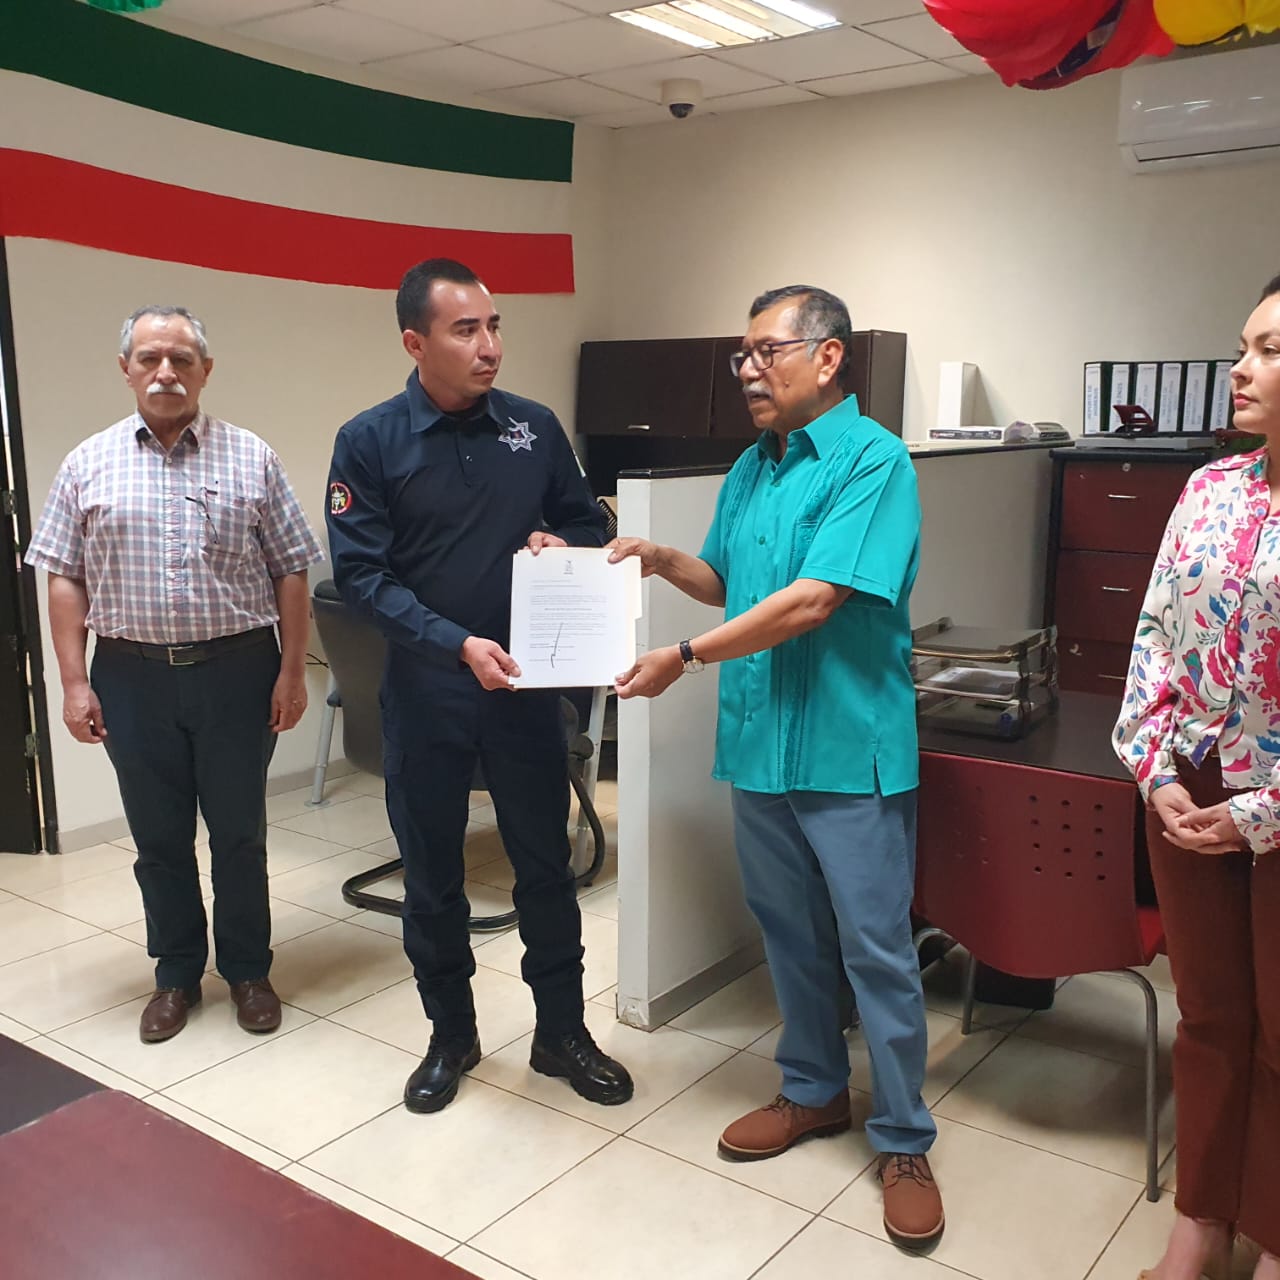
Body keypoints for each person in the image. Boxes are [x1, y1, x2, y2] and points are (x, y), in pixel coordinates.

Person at [609, 284, 943, 1251]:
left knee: (875, 950)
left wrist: (684, 657)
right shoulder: (751, 469)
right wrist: (660, 557)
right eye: (743, 357)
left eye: (767, 353)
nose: (749, 372)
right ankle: (813, 1092)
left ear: (828, 356)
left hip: (848, 752)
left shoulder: (873, 461)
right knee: (788, 935)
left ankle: (904, 1138)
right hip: (761, 747)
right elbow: (730, 582)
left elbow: (812, 600)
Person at [326, 258, 632, 1115]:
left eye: (494, 326)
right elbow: (363, 578)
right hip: (428, 690)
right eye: (466, 330)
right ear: (415, 343)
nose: (489, 345)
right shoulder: (370, 440)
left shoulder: (533, 427)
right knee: (432, 877)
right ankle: (451, 1035)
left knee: (545, 869)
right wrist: (455, 644)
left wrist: (559, 542)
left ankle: (561, 1033)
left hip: (527, 688)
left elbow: (585, 522)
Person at [25, 306, 323, 1043]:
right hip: (131, 677)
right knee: (159, 839)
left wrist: (291, 672)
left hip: (237, 671)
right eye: (150, 358)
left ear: (205, 371)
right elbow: (63, 576)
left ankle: (248, 971)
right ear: (125, 369)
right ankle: (177, 974)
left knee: (240, 834)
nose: (166, 372)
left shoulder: (251, 456)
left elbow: (291, 569)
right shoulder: (87, 462)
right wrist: (73, 682)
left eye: (182, 359)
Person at [1116, 275, 1280, 1280]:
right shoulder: (1211, 487)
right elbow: (1153, 637)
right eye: (1242, 346)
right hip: (1189, 787)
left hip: (1276, 804)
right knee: (1210, 1015)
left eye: (1269, 350)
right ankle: (1203, 1219)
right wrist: (1151, 765)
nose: (1238, 368)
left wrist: (1261, 811)